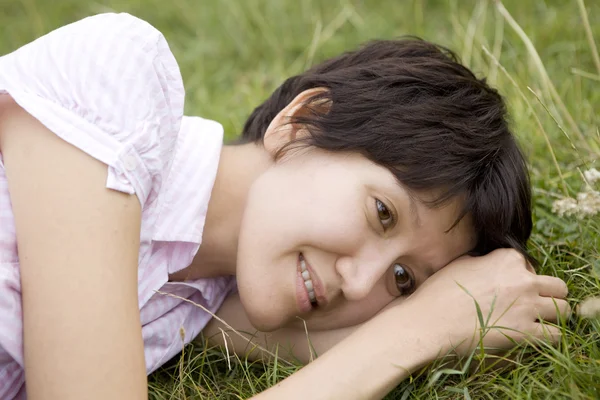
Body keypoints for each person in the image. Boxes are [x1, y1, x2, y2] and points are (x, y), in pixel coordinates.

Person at [0, 12, 570, 400]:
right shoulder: (115, 84)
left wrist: (457, 317)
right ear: (300, 126)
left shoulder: (200, 304)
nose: (359, 280)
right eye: (383, 214)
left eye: (402, 278)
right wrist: (415, 330)